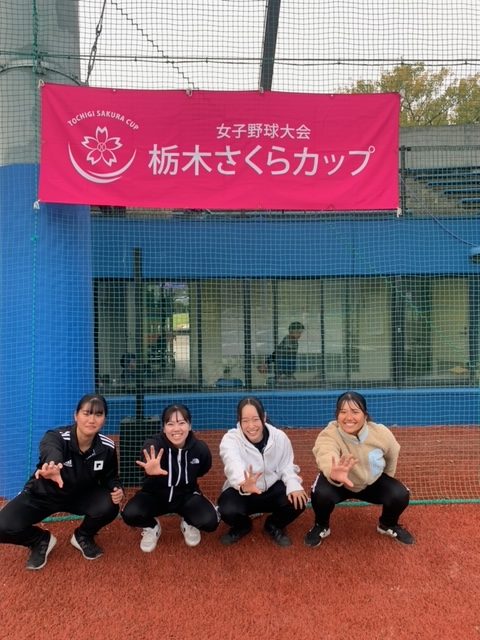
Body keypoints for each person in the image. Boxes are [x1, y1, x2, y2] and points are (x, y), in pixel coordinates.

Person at [0, 394, 124, 570]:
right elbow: (50, 450)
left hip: (80, 496)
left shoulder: (107, 447)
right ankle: (39, 540)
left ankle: (83, 535)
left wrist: (116, 488)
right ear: (76, 415)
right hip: (44, 494)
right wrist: (53, 464)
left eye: (98, 414)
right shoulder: (56, 436)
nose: (92, 420)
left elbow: (110, 477)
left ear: (104, 419)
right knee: (3, 526)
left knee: (110, 505)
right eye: (86, 413)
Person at [304, 391, 414, 548]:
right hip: (340, 483)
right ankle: (321, 525)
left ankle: (387, 524)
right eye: (343, 412)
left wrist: (387, 478)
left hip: (371, 483)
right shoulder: (329, 434)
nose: (348, 417)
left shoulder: (380, 433)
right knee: (320, 493)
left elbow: (392, 453)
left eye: (355, 412)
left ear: (365, 415)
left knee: (400, 494)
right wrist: (333, 473)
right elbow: (325, 452)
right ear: (337, 415)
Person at [121, 403, 218, 550]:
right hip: (155, 497)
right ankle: (152, 526)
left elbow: (203, 469)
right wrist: (150, 466)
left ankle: (188, 522)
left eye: (181, 423)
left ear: (189, 426)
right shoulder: (155, 443)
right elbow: (148, 449)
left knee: (210, 522)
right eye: (170, 424)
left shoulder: (200, 449)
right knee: (130, 514)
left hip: (186, 497)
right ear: (164, 427)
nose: (176, 429)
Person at [218, 396, 308, 547]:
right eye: (245, 421)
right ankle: (243, 525)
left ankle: (273, 524)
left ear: (264, 417)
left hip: (272, 490)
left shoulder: (279, 437)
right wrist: (243, 483)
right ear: (239, 421)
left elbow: (287, 465)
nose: (251, 426)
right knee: (226, 509)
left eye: (255, 419)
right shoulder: (231, 439)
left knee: (299, 500)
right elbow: (232, 463)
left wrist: (293, 484)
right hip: (244, 492)